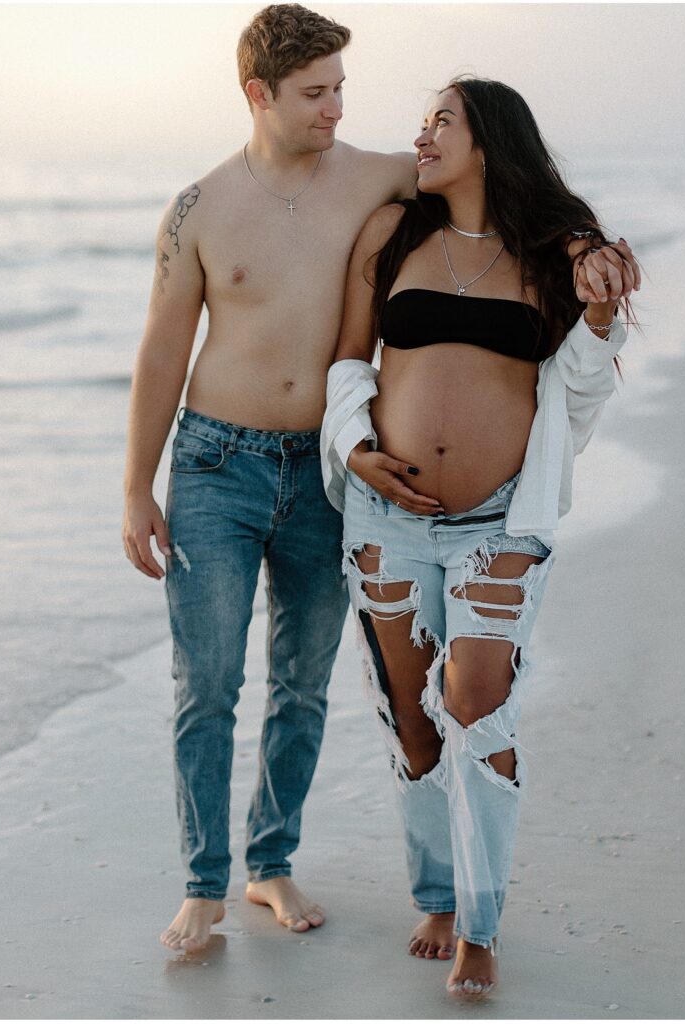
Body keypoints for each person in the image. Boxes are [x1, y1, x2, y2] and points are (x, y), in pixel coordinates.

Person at [321, 77, 639, 998]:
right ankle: (437, 894)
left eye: (441, 121)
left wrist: (603, 313)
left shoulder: (552, 257)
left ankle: (482, 921)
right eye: (422, 122)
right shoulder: (393, 236)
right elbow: (351, 357)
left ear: (490, 142)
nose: (421, 136)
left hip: (499, 523)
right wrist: (356, 448)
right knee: (414, 721)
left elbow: (579, 397)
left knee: (474, 700)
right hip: (386, 517)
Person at [121, 4, 417, 953]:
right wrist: (136, 486)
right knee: (206, 682)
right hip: (215, 465)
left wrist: (582, 248)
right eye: (315, 93)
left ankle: (271, 863)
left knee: (303, 682)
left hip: (328, 469)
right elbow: (163, 352)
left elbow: (500, 184)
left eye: (341, 89)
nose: (337, 108)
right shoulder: (200, 209)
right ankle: (203, 884)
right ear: (259, 94)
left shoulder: (379, 177)